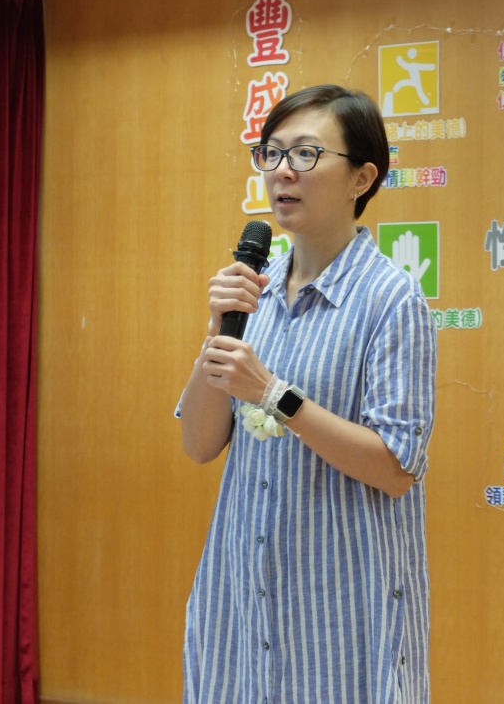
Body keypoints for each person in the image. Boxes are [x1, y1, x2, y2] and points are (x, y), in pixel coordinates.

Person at [176, 84, 437, 704]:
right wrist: (218, 330)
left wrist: (273, 394)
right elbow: (199, 444)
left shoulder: (392, 300)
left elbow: (395, 468)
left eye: (306, 153)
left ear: (361, 178)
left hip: (342, 612)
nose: (282, 171)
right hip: (244, 600)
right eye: (271, 152)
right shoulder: (254, 293)